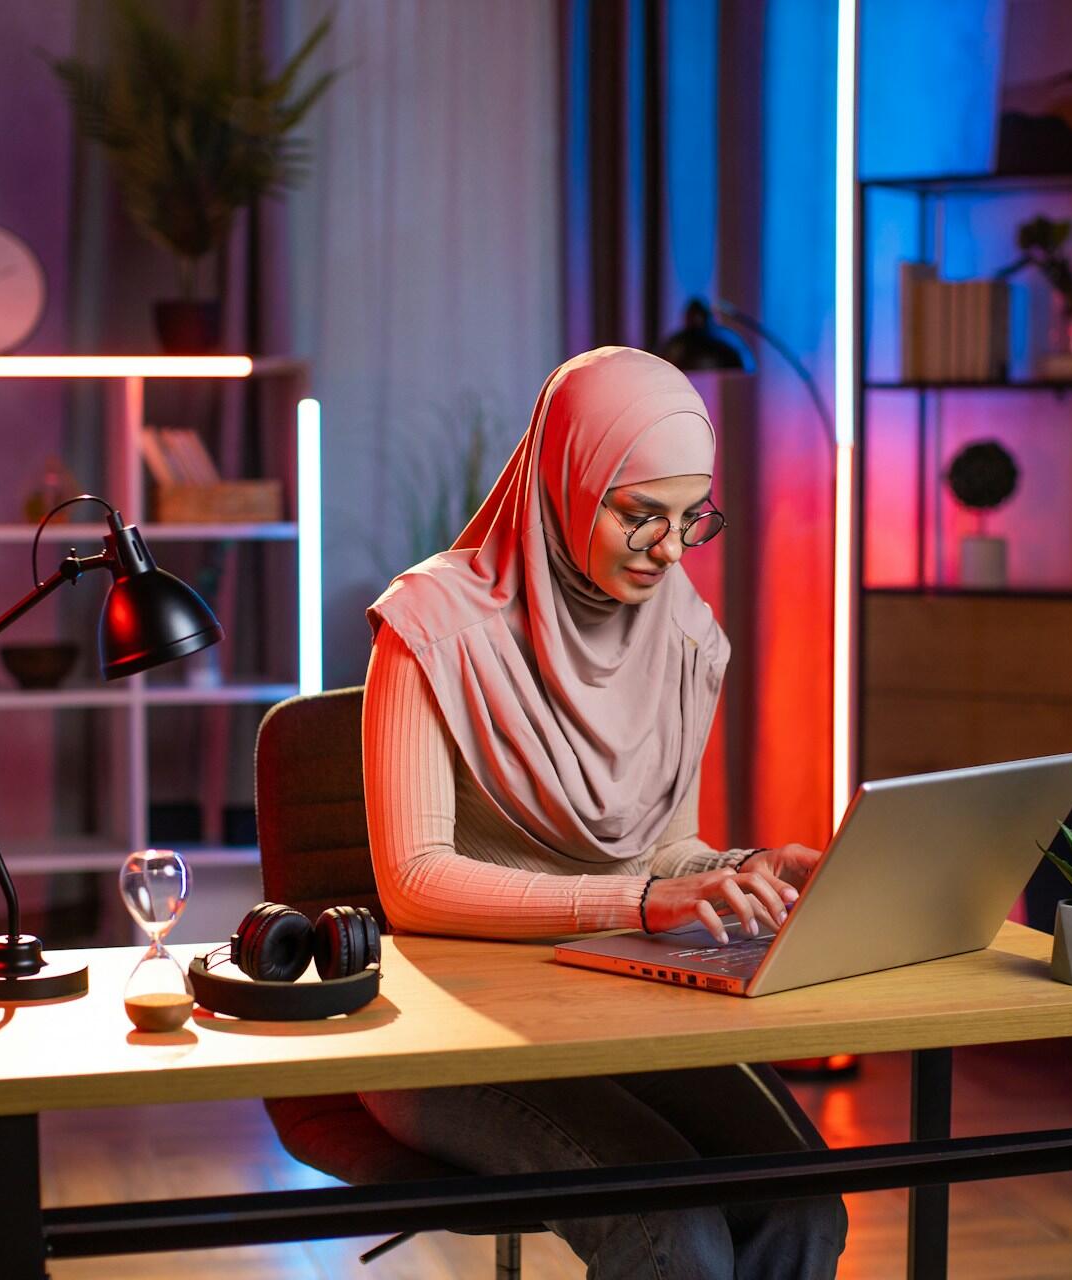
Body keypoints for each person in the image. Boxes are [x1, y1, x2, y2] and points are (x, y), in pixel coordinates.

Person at [358, 346, 846, 1278]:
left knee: (804, 1206)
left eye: (690, 517)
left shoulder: (685, 635)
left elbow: (663, 851)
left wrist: (742, 868)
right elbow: (413, 885)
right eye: (639, 515)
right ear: (567, 481)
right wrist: (634, 905)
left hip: (622, 1004)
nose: (670, 550)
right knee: (675, 1234)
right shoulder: (429, 627)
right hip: (444, 1031)